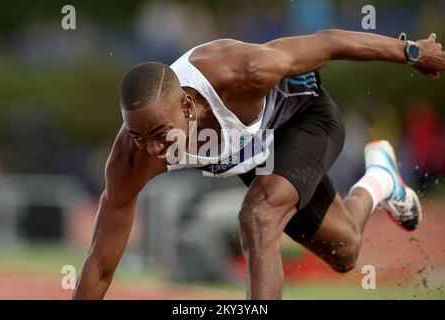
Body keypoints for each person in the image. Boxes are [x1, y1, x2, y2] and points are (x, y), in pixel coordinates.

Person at [72, 29, 445, 299]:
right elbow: (100, 267)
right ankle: (381, 178)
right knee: (346, 251)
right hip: (257, 152)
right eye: (138, 136)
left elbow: (328, 42)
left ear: (187, 106)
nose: (153, 148)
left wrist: (412, 51)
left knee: (258, 216)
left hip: (305, 119)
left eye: (159, 132)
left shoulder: (242, 71)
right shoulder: (131, 158)